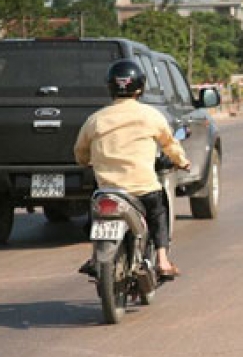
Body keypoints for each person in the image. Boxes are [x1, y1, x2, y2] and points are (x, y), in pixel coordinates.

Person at [74, 59, 190, 280]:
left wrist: (85, 161)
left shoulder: (95, 119)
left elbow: (80, 151)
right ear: (140, 88)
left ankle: (96, 256)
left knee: (95, 215)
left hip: (107, 189)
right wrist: (182, 161)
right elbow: (170, 144)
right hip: (143, 188)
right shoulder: (151, 115)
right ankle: (163, 260)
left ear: (110, 87)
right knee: (158, 212)